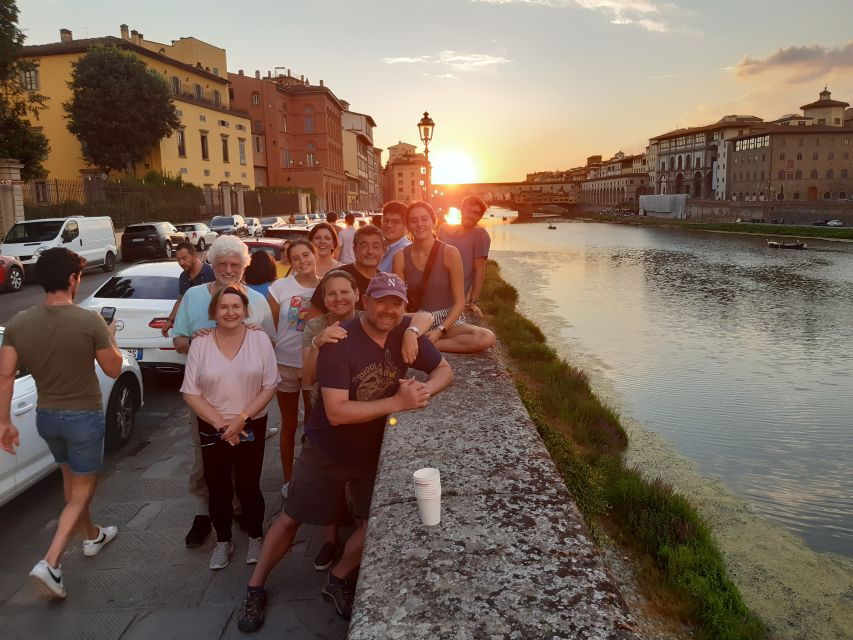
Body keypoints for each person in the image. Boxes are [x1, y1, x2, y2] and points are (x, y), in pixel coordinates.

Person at [236, 273, 453, 631]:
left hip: (374, 452)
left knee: (373, 522)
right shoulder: (340, 341)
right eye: (381, 300)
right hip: (328, 448)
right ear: (366, 300)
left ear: (404, 307)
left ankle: (336, 579)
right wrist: (399, 401)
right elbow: (336, 412)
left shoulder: (404, 333)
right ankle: (255, 586)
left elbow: (445, 370)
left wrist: (422, 391)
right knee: (292, 517)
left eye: (396, 303)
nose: (388, 309)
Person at [0, 248, 124, 599]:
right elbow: (114, 369)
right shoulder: (89, 321)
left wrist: (4, 421)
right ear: (73, 279)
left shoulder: (19, 323)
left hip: (47, 417)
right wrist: (110, 336)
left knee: (71, 479)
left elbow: (5, 375)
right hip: (83, 416)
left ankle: (91, 536)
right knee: (82, 490)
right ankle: (51, 562)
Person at [300, 270, 433, 572]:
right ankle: (330, 540)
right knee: (324, 498)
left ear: (357, 296)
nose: (338, 298)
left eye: (344, 292)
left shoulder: (375, 316)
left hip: (366, 428)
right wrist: (319, 343)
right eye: (330, 294)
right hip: (328, 421)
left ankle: (352, 562)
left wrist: (412, 333)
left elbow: (421, 316)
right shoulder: (321, 331)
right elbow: (307, 379)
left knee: (366, 506)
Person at [172, 235, 277, 549]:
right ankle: (205, 514)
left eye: (235, 264)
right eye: (222, 264)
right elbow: (178, 341)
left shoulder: (256, 301)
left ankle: (240, 509)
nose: (228, 269)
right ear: (212, 265)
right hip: (207, 395)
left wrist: (252, 334)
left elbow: (268, 344)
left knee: (245, 466)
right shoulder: (193, 296)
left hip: (247, 398)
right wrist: (196, 339)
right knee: (206, 463)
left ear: (244, 267)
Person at [393, 201, 495, 354]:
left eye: (424, 219)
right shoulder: (400, 257)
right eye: (414, 221)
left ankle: (429, 346)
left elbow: (460, 302)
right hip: (418, 318)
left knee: (486, 337)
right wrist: (412, 327)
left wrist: (440, 330)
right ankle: (420, 341)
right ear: (407, 225)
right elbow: (399, 301)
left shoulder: (450, 253)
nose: (419, 224)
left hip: (447, 319)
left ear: (433, 222)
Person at [266, 239, 321, 497]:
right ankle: (288, 479)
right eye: (296, 257)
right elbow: (273, 326)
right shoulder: (279, 288)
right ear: (290, 261)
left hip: (314, 364)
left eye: (306, 254)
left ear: (314, 254)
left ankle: (311, 474)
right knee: (289, 424)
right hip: (285, 363)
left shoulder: (325, 286)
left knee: (313, 423)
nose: (302, 261)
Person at [310, 224, 383, 313]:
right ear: (354, 250)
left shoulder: (384, 281)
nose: (370, 251)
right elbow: (313, 316)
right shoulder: (336, 277)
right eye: (364, 246)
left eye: (376, 246)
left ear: (383, 250)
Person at [438, 195, 491, 318]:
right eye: (469, 211)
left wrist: (472, 302)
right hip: (433, 289)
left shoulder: (480, 235)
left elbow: (480, 270)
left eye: (476, 213)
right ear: (462, 210)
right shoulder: (444, 229)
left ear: (480, 217)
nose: (471, 215)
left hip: (454, 297)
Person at [161, 241, 216, 337]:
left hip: (210, 329)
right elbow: (181, 299)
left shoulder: (212, 273)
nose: (181, 263)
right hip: (191, 329)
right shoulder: (183, 277)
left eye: (184, 258)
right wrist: (170, 321)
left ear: (195, 255)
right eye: (178, 260)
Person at [378, 201, 411, 273]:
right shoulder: (379, 248)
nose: (389, 225)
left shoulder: (406, 252)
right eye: (386, 220)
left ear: (406, 226)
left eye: (395, 222)